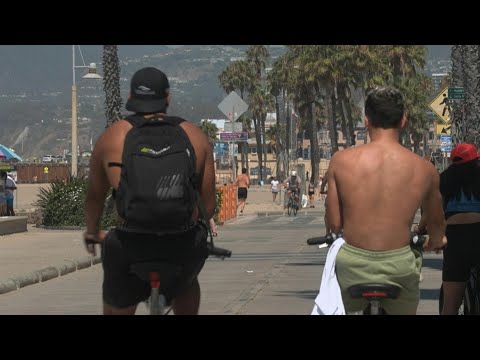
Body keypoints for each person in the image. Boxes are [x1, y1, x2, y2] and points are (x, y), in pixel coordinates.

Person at [84, 67, 215, 315]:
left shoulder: (111, 138)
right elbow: (208, 206)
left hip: (130, 243)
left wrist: (92, 232)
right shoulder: (195, 136)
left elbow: (94, 197)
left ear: (132, 97)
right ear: (167, 98)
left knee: (117, 281)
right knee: (187, 281)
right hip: (181, 243)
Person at [326, 86, 446, 315]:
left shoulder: (341, 162)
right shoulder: (424, 169)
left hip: (353, 265)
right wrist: (435, 240)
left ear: (366, 120)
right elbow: (437, 223)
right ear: (403, 121)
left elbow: (334, 224)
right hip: (399, 266)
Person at [420, 143, 480, 315]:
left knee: (451, 304)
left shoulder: (443, 180)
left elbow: (430, 211)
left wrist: (420, 230)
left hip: (456, 237)